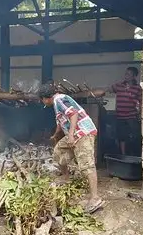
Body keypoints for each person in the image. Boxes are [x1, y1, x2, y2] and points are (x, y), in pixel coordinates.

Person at [39, 83, 103, 213]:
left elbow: (73, 114)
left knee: (86, 165)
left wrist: (71, 135)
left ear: (46, 98)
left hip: (83, 133)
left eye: (42, 100)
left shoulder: (60, 99)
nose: (43, 102)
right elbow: (61, 121)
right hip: (73, 134)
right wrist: (56, 134)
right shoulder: (57, 103)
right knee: (58, 152)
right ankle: (66, 177)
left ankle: (95, 198)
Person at [112, 67, 142, 154]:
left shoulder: (137, 88)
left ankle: (133, 154)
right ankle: (123, 155)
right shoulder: (119, 85)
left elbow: (142, 101)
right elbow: (107, 90)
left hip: (131, 117)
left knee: (134, 136)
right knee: (121, 137)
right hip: (120, 117)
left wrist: (140, 113)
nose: (126, 76)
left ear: (134, 76)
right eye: (126, 73)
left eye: (129, 74)